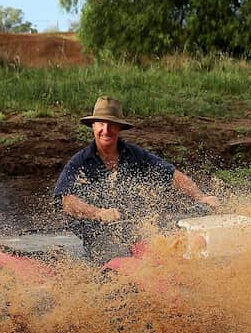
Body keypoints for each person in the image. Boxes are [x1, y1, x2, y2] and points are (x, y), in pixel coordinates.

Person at [54, 96, 218, 263]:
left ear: (119, 128)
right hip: (99, 234)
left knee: (173, 246)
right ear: (93, 126)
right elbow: (66, 201)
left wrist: (201, 197)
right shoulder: (79, 162)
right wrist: (98, 213)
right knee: (120, 264)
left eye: (111, 124)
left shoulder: (135, 155)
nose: (106, 129)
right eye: (101, 124)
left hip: (134, 228)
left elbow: (173, 175)